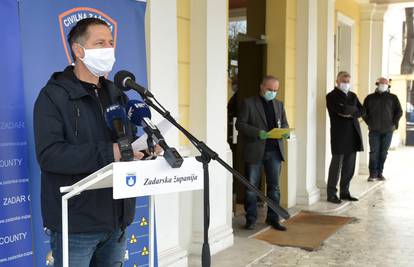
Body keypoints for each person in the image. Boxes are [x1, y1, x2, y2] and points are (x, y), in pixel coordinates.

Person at [34, 18, 149, 267]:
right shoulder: (53, 96)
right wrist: (112, 152)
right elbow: (50, 155)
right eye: (100, 43)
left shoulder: (117, 93)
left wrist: (145, 149)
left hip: (117, 221)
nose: (109, 49)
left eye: (111, 43)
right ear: (79, 51)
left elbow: (126, 145)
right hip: (76, 224)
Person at [236, 75, 289, 231]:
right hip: (255, 150)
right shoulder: (249, 103)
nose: (272, 93)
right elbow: (240, 124)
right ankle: (251, 219)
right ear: (262, 87)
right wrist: (258, 132)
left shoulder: (279, 105)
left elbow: (284, 123)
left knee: (274, 188)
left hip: (274, 152)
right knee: (251, 187)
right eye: (270, 89)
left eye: (275, 90)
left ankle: (273, 218)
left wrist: (285, 132)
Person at [326, 71, 365, 204]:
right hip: (339, 135)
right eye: (343, 81)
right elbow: (340, 111)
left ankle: (345, 192)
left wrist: (351, 112)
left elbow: (363, 110)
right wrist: (352, 110)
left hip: (353, 134)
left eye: (348, 81)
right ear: (337, 81)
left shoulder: (353, 95)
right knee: (336, 166)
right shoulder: (331, 96)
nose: (346, 83)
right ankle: (331, 194)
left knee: (349, 166)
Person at [363, 77, 402, 181]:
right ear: (377, 84)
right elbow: (364, 112)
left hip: (388, 130)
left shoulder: (393, 98)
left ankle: (380, 173)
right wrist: (369, 123)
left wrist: (394, 124)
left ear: (388, 85)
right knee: (374, 152)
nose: (384, 85)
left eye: (386, 83)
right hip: (374, 130)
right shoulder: (369, 98)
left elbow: (399, 112)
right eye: (382, 83)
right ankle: (373, 174)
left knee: (383, 152)